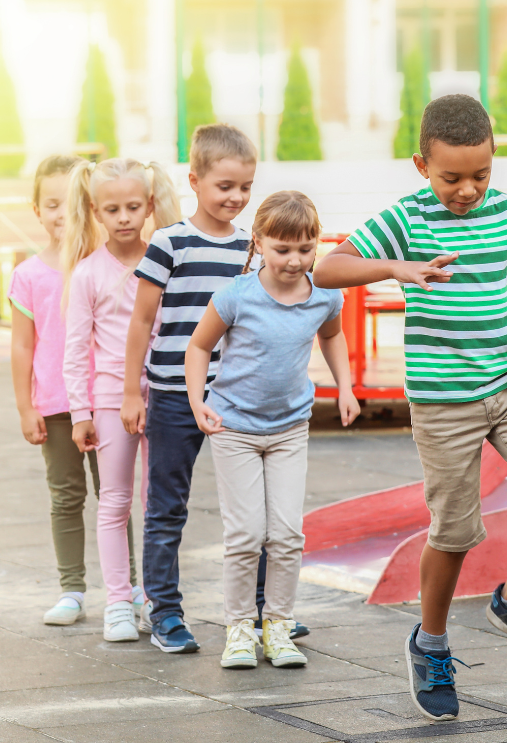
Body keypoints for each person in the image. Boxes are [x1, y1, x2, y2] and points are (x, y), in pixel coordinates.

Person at [313, 94, 507, 721]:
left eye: (480, 175)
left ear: (495, 163)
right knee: (455, 532)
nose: (467, 190)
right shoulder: (407, 218)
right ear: (421, 165)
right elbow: (329, 269)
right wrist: (398, 268)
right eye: (451, 177)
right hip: (443, 402)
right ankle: (430, 641)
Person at [185, 191, 358, 670]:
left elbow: (332, 335)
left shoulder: (324, 295)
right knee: (244, 533)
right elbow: (199, 347)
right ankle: (239, 629)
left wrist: (345, 387)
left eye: (306, 249)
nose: (295, 260)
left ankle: (278, 627)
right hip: (234, 426)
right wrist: (198, 402)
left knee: (286, 533)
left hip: (288, 429)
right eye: (282, 250)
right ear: (258, 243)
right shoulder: (237, 295)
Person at [120, 124, 274, 653]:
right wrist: (130, 391)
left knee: (253, 511)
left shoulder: (252, 250)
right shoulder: (169, 243)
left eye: (246, 188)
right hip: (170, 394)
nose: (236, 198)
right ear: (195, 181)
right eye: (225, 186)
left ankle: (261, 613)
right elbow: (141, 323)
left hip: (235, 398)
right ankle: (163, 611)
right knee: (167, 507)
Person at [9, 154, 143, 626]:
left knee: (115, 494)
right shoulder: (28, 275)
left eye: (70, 203)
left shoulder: (105, 266)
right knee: (66, 497)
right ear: (36, 210)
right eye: (51, 204)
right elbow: (23, 347)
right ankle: (71, 588)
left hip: (106, 399)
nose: (61, 214)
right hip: (57, 405)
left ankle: (125, 589)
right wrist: (26, 407)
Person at [62, 157, 181, 642]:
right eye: (113, 209)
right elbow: (74, 349)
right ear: (95, 211)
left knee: (160, 504)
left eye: (134, 206)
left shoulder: (167, 260)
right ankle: (117, 601)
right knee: (114, 502)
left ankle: (159, 600)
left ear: (150, 205)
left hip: (168, 394)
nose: (125, 217)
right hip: (111, 400)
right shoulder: (87, 273)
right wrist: (79, 413)